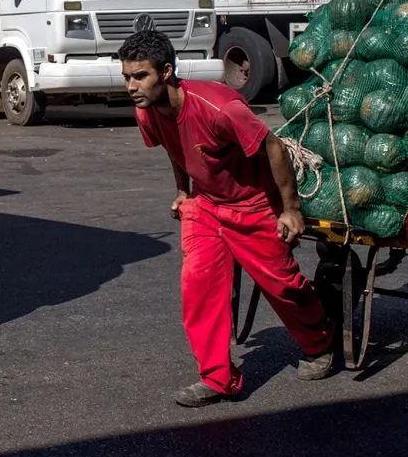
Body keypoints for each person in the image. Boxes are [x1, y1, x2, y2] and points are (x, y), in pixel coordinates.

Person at [118, 29, 334, 407]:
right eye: (127, 77)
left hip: (251, 205)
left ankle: (320, 343)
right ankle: (218, 378)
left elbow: (274, 146)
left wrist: (291, 210)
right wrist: (184, 190)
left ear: (166, 72)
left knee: (282, 285)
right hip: (205, 206)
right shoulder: (147, 112)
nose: (131, 86)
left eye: (140, 76)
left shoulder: (219, 107)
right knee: (197, 285)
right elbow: (175, 147)